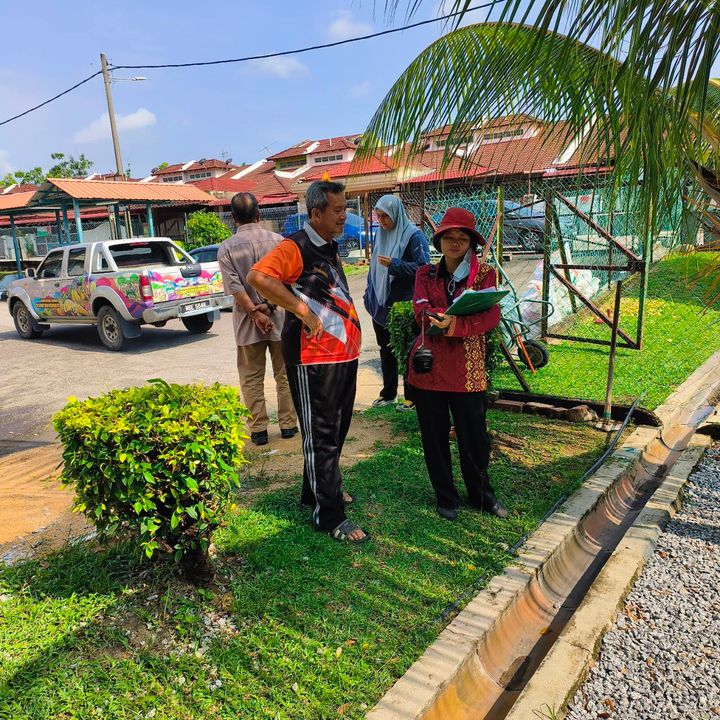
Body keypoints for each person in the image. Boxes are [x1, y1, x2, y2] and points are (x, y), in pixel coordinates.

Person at [247, 180, 370, 544]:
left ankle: (314, 492)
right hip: (314, 359)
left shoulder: (328, 246)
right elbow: (258, 277)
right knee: (322, 436)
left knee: (335, 430)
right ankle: (330, 515)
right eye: (337, 210)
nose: (343, 216)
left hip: (342, 355)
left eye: (344, 208)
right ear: (316, 213)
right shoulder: (296, 245)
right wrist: (302, 311)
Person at [406, 207, 507, 521]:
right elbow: (419, 307)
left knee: (475, 438)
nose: (454, 242)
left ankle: (482, 495)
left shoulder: (485, 274)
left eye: (461, 237)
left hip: (468, 369)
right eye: (448, 237)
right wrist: (439, 316)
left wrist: (456, 324)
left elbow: (491, 315)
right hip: (430, 370)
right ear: (439, 241)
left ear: (471, 242)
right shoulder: (426, 274)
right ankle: (446, 497)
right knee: (434, 438)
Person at [217, 192, 298, 447]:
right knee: (284, 373)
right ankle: (288, 425)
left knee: (251, 377)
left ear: (233, 217)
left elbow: (234, 286)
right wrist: (269, 306)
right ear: (259, 213)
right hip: (280, 317)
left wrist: (254, 312)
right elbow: (287, 281)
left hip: (246, 321)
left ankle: (259, 430)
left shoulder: (227, 248)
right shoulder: (279, 241)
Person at [364, 194, 429, 411]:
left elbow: (423, 269)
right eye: (379, 217)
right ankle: (388, 394)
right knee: (386, 351)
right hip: (381, 305)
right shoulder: (380, 235)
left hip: (403, 307)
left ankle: (411, 398)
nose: (382, 222)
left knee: (407, 351)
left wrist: (396, 265)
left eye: (385, 217)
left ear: (396, 215)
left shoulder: (413, 236)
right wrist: (368, 295)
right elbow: (374, 268)